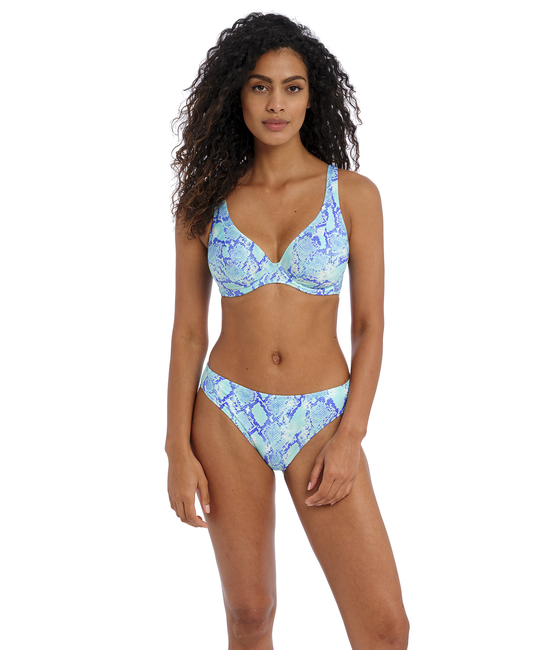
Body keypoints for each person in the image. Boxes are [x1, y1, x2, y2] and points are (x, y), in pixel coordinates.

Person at [165, 12, 409, 650]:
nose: (276, 104)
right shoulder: (203, 202)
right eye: (260, 86)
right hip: (227, 412)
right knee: (249, 615)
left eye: (292, 87)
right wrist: (176, 451)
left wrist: (351, 436)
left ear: (311, 96)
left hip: (322, 416)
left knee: (385, 629)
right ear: (236, 96)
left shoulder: (353, 195)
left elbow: (370, 326)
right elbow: (188, 333)